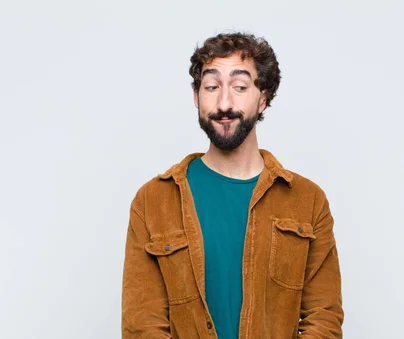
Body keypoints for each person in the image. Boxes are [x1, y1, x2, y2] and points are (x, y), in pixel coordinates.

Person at [121, 32, 344, 338]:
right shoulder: (152, 201)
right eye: (211, 87)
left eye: (240, 87)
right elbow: (142, 326)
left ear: (263, 98)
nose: (224, 102)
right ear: (196, 96)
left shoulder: (308, 201)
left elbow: (323, 318)